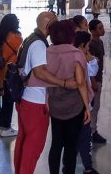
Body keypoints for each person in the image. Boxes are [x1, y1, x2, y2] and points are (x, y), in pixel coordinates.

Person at [16, 11, 80, 174]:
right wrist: (64, 83)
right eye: (55, 22)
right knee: (33, 146)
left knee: (24, 141)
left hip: (26, 99)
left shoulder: (30, 39)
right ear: (48, 24)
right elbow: (40, 72)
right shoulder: (38, 44)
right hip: (35, 102)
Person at [45, 20, 90, 174]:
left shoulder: (48, 51)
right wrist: (87, 106)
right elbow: (80, 82)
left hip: (55, 105)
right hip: (74, 106)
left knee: (56, 143)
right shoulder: (75, 53)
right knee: (71, 144)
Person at [73, 31, 100, 174]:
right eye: (87, 46)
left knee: (72, 136)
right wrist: (88, 56)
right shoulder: (81, 60)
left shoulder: (68, 56)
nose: (88, 49)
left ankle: (68, 165)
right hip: (82, 105)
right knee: (84, 136)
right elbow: (92, 71)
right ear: (82, 45)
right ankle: (88, 167)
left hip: (69, 106)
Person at [0, 13, 23, 137]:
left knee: (1, 99)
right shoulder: (16, 37)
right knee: (9, 101)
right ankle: (6, 127)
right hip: (9, 71)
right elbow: (19, 54)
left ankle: (2, 126)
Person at [88, 20, 107, 144]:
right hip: (94, 80)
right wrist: (93, 81)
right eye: (100, 28)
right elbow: (90, 64)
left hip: (99, 78)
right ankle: (91, 132)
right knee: (93, 107)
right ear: (93, 30)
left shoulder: (100, 42)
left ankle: (92, 130)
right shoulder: (91, 45)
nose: (103, 29)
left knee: (96, 106)